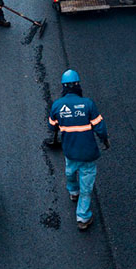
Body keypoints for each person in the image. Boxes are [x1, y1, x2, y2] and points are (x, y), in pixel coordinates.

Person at [48, 70, 109, 230]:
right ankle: (83, 217)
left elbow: (51, 125)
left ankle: (73, 191)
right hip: (88, 154)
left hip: (70, 151)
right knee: (87, 186)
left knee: (70, 172)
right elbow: (100, 128)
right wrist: (105, 140)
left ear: (63, 87)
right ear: (78, 86)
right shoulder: (88, 104)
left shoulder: (57, 106)